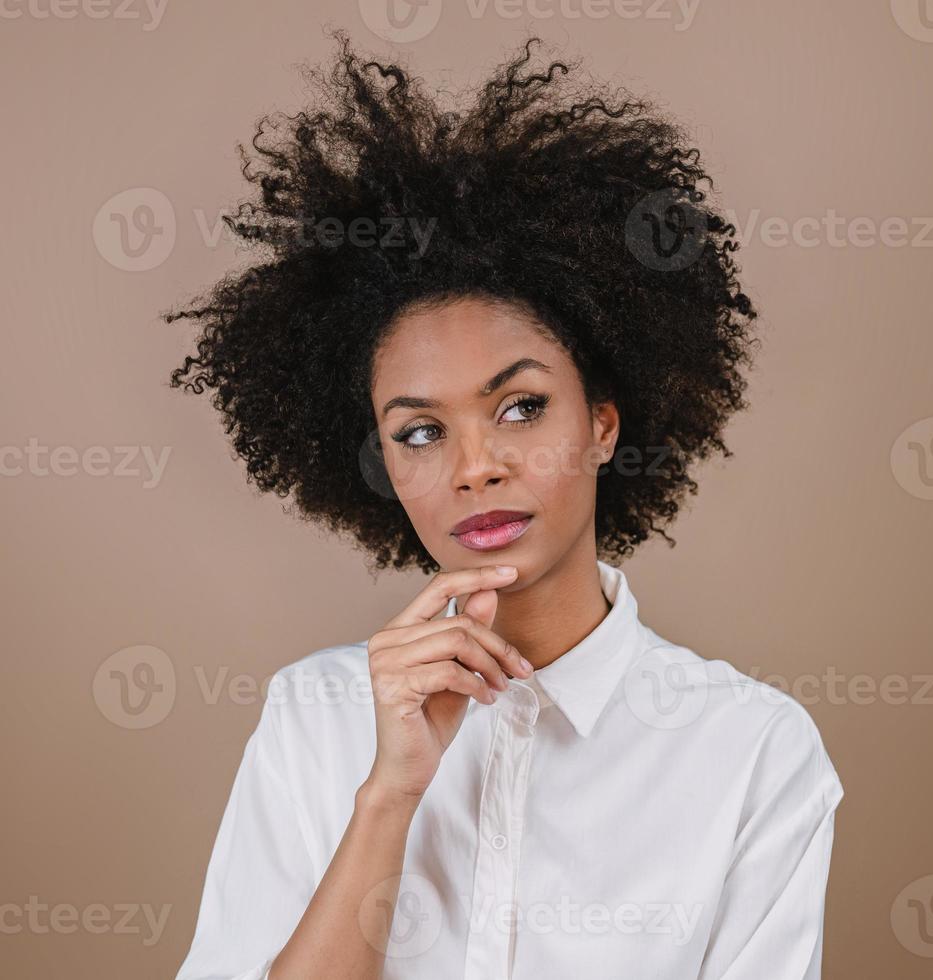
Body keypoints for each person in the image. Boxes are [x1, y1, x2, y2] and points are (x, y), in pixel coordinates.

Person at [166, 28, 843, 980]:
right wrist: (390, 794)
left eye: (520, 407)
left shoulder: (750, 751)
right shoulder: (314, 717)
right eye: (419, 431)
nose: (473, 467)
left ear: (605, 425)